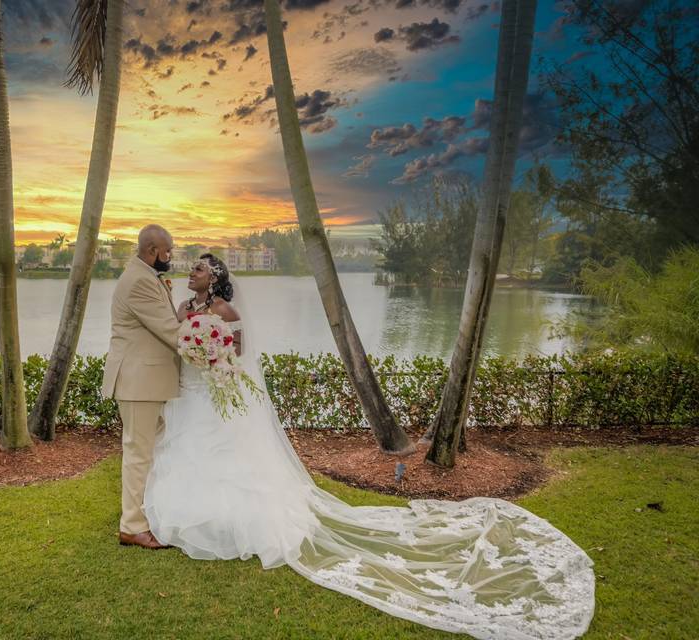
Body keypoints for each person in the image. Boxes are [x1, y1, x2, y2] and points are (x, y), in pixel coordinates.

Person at [142, 253, 597, 640]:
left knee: (227, 456)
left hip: (218, 389)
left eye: (199, 269)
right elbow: (175, 340)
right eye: (192, 269)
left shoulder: (226, 312)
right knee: (190, 450)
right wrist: (193, 351)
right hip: (194, 393)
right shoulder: (184, 307)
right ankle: (198, 514)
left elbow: (239, 355)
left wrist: (214, 355)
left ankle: (238, 519)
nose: (192, 273)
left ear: (215, 278)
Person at [101, 224, 180, 550]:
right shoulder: (138, 283)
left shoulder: (146, 276)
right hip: (138, 382)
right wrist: (214, 350)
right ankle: (132, 526)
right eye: (168, 250)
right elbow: (170, 331)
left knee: (152, 451)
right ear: (152, 251)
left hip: (147, 381)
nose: (171, 256)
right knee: (138, 453)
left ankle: (146, 513)